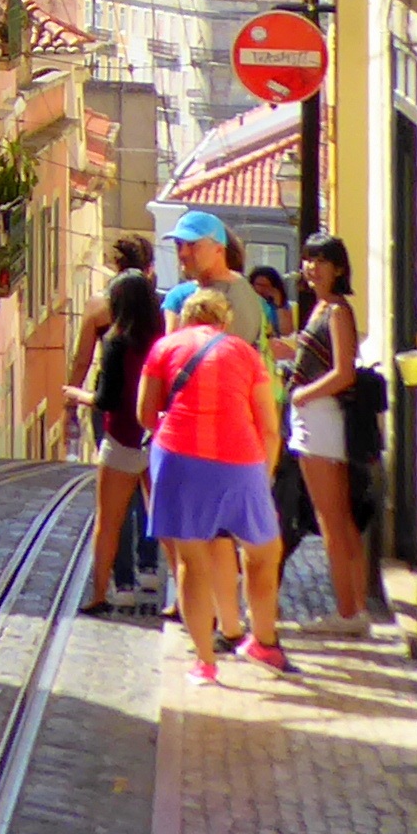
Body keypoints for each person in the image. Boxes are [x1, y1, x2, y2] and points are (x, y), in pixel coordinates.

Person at [140, 283, 289, 684]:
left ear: (187, 318)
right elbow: (269, 426)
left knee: (192, 561)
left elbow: (145, 413)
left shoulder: (164, 348)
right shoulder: (244, 351)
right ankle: (263, 641)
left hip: (179, 458)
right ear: (225, 320)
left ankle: (204, 662)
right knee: (262, 554)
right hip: (240, 460)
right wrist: (264, 474)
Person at [168, 213, 285, 634]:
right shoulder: (203, 294)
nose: (183, 253)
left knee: (239, 542)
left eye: (192, 245)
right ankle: (231, 628)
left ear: (218, 247)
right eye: (179, 245)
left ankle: (250, 633)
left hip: (232, 436)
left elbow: (238, 370)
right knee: (216, 540)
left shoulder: (236, 297)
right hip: (212, 436)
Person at [60, 234, 165, 613]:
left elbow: (87, 369)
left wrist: (74, 397)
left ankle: (110, 589)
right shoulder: (162, 325)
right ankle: (157, 573)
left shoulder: (107, 324)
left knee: (110, 516)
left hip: (119, 431)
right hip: (155, 434)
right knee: (160, 510)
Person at [281, 233, 373, 633]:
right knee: (341, 519)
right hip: (316, 421)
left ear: (339, 268)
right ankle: (354, 608)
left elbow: (343, 371)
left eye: (321, 260)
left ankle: (347, 613)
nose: (312, 267)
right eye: (308, 259)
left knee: (332, 518)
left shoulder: (335, 311)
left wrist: (301, 393)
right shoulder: (320, 308)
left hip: (321, 422)